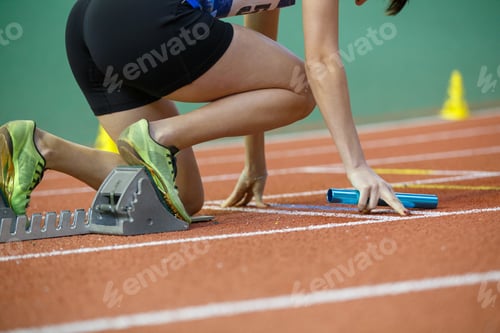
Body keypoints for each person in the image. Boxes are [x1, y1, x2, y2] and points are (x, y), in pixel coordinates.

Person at [0, 0, 409, 224]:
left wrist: (255, 165)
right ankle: (161, 138)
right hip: (147, 18)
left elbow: (260, 60)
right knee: (304, 89)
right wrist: (357, 167)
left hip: (90, 22)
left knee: (181, 197)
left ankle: (41, 147)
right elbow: (321, 64)